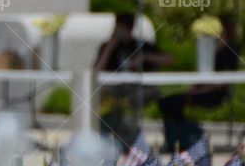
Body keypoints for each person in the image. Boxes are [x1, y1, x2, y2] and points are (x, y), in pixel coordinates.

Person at [157, 15, 238, 150]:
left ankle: (186, 138)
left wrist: (197, 91)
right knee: (167, 102)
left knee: (170, 103)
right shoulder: (211, 48)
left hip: (212, 94)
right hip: (202, 91)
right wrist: (193, 89)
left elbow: (221, 83)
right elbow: (203, 75)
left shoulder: (229, 51)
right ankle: (181, 138)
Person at [93, 13, 173, 149]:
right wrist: (110, 47)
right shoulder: (107, 46)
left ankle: (128, 138)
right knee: (106, 100)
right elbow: (96, 71)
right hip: (113, 89)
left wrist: (144, 57)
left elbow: (169, 59)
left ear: (129, 29)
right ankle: (106, 136)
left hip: (136, 89)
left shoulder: (140, 45)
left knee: (129, 104)